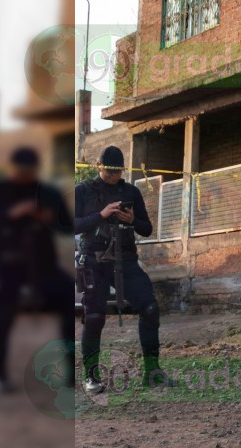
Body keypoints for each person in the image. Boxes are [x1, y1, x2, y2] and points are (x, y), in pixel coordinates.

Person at [0, 147, 74, 394]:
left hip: (43, 267)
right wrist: (10, 214)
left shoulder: (47, 193)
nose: (25, 176)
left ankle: (71, 373)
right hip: (5, 268)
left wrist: (49, 218)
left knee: (69, 298)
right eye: (20, 171)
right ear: (12, 168)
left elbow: (66, 227)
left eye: (30, 172)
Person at [74, 146, 170, 393]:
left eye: (118, 171)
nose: (114, 176)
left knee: (149, 307)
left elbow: (147, 229)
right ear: (99, 167)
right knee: (94, 317)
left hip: (125, 259)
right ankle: (91, 377)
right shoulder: (83, 191)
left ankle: (152, 371)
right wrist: (101, 215)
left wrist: (132, 220)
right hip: (94, 260)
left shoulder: (131, 191)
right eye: (109, 172)